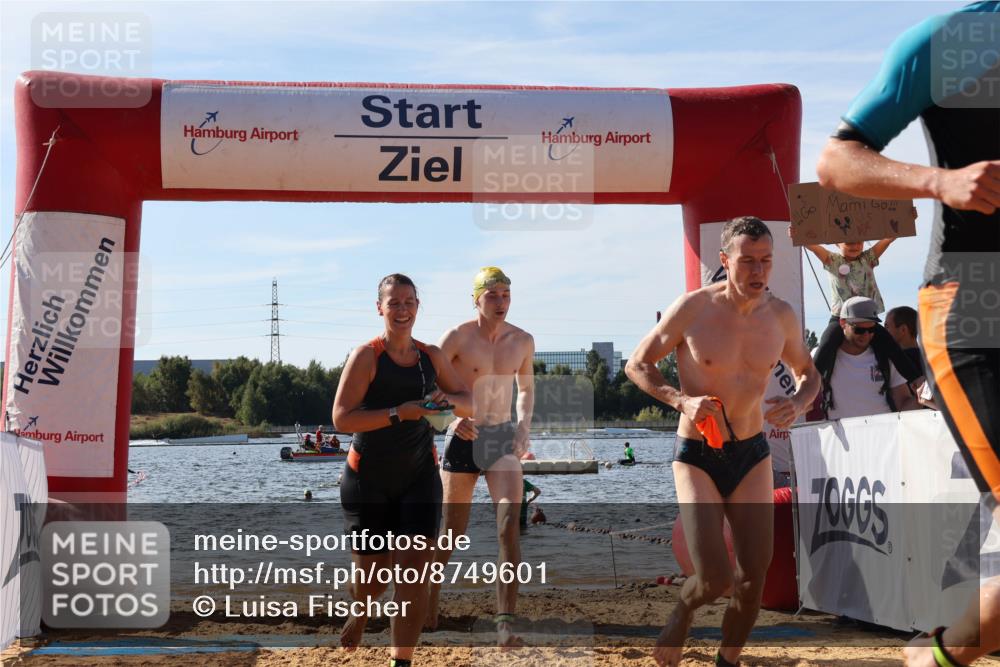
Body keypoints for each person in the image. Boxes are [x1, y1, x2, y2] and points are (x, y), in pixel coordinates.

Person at [815, 3, 1000, 664]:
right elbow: (836, 160)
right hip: (974, 305)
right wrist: (939, 182)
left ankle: (940, 652)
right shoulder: (957, 39)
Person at [626, 216, 820, 667]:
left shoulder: (780, 316)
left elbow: (808, 373)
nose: (758, 270)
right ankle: (683, 610)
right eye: (747, 260)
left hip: (751, 453)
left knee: (753, 578)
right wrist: (681, 400)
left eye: (766, 260)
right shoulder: (693, 308)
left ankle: (727, 661)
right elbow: (637, 364)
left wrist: (799, 402)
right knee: (713, 579)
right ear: (725, 260)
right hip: (697, 454)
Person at [332, 273, 473, 667]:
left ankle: (401, 662)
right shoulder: (367, 356)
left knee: (413, 576)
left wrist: (448, 400)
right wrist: (399, 413)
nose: (402, 310)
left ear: (418, 307)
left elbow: (469, 400)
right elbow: (341, 419)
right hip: (368, 479)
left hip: (419, 477)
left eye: (409, 302)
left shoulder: (431, 357)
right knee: (373, 582)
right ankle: (361, 610)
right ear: (379, 308)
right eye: (393, 302)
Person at [425, 266, 535, 649]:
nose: (501, 302)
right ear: (475, 299)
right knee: (451, 534)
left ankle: (504, 623)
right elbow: (428, 388)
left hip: (501, 438)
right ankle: (429, 602)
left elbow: (526, 389)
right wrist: (451, 421)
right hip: (462, 436)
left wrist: (523, 428)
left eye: (506, 294)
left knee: (508, 526)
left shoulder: (522, 340)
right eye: (492, 295)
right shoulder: (456, 337)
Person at [804, 237, 922, 389]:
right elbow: (813, 247)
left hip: (867, 317)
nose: (855, 246)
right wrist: (799, 235)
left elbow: (887, 240)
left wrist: (898, 227)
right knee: (826, 345)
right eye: (849, 242)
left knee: (892, 347)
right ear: (837, 242)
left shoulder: (868, 258)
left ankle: (916, 379)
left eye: (859, 242)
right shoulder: (832, 260)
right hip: (841, 317)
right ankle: (809, 385)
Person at [813, 296, 920, 420]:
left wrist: (923, 398)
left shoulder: (886, 357)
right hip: (839, 432)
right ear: (843, 323)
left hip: (884, 431)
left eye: (872, 329)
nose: (866, 335)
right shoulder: (824, 356)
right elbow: (808, 394)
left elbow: (903, 405)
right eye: (859, 330)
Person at [885, 305, 924, 375]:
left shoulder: (896, 362)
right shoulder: (931, 360)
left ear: (903, 330)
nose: (884, 331)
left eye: (887, 327)